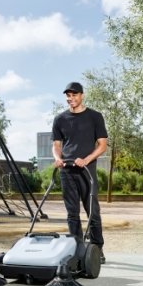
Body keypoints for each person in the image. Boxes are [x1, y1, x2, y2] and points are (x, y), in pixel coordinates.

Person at [51, 81, 108, 260]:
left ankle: (97, 249)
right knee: (72, 213)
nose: (71, 98)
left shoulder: (95, 117)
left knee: (93, 211)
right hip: (67, 171)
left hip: (87, 171)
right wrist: (57, 158)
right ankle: (77, 249)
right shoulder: (60, 119)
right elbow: (56, 145)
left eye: (74, 95)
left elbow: (102, 145)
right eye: (68, 96)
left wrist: (86, 160)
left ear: (82, 95)